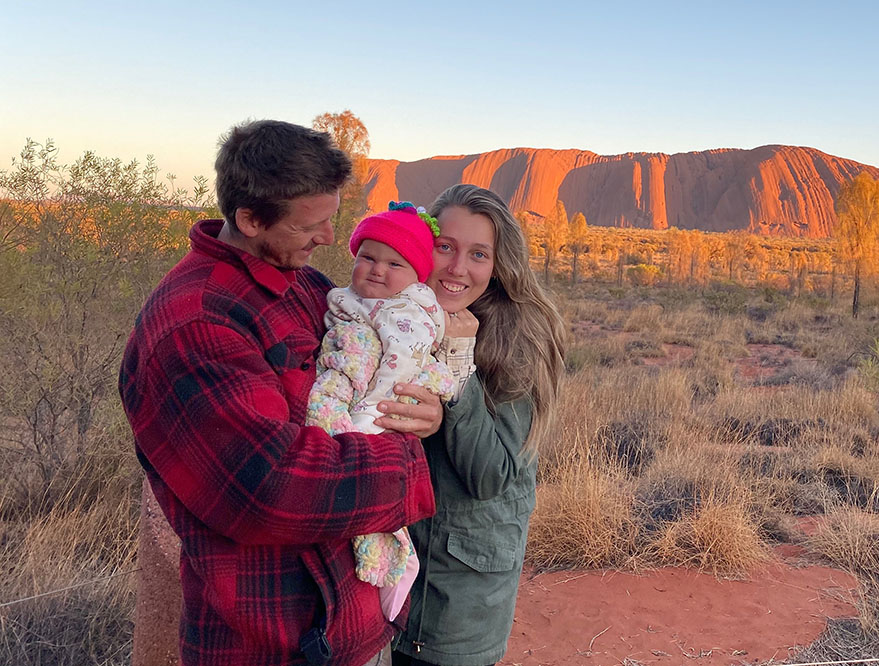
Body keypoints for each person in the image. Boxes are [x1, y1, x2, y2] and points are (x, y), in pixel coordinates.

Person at [120, 120, 443, 666]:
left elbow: (377, 369)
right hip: (272, 641)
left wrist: (422, 410)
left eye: (332, 220)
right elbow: (273, 486)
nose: (327, 240)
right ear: (249, 219)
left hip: (352, 621)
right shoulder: (197, 326)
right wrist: (407, 462)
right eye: (309, 226)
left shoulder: (308, 286)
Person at [392, 184, 567, 666]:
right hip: (388, 577)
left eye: (478, 254)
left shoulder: (518, 339)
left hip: (456, 599)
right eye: (444, 247)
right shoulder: (399, 316)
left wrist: (457, 373)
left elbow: (491, 474)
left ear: (498, 264)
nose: (456, 268)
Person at [305, 201, 468, 619]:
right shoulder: (343, 301)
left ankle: (386, 555)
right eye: (367, 258)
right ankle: (380, 551)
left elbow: (416, 360)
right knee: (333, 437)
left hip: (383, 412)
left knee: (372, 494)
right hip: (348, 387)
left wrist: (428, 393)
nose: (377, 270)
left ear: (416, 275)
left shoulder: (417, 312)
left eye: (395, 263)